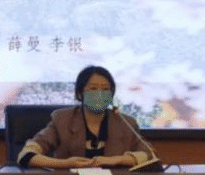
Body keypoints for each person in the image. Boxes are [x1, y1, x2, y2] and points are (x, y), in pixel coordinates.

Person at [18, 65, 154, 169]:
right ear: (79, 93)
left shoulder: (125, 122)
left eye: (105, 89)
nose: (100, 94)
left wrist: (117, 160)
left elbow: (150, 155)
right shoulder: (62, 120)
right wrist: (65, 163)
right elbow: (26, 155)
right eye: (93, 89)